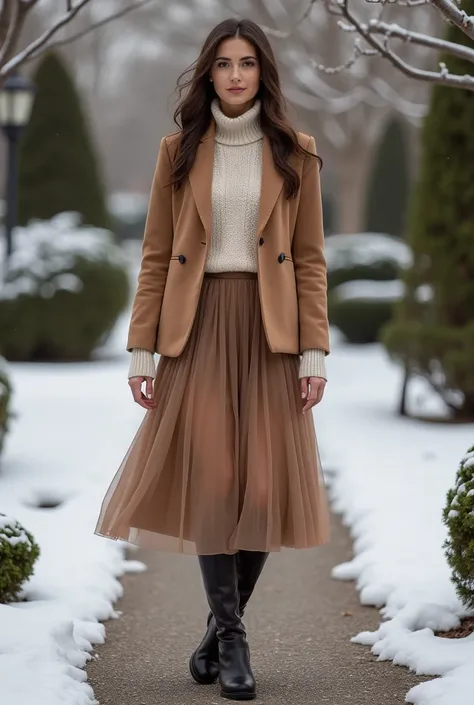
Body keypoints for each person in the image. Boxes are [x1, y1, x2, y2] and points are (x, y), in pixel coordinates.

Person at [94, 17, 331, 702]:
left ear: (264, 73)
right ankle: (233, 642)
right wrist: (143, 347)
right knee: (215, 480)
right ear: (207, 73)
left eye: (248, 62)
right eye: (223, 62)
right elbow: (154, 256)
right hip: (196, 330)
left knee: (260, 488)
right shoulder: (178, 152)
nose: (235, 74)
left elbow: (311, 261)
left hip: (270, 331)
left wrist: (313, 349)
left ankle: (215, 632)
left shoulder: (297, 152)